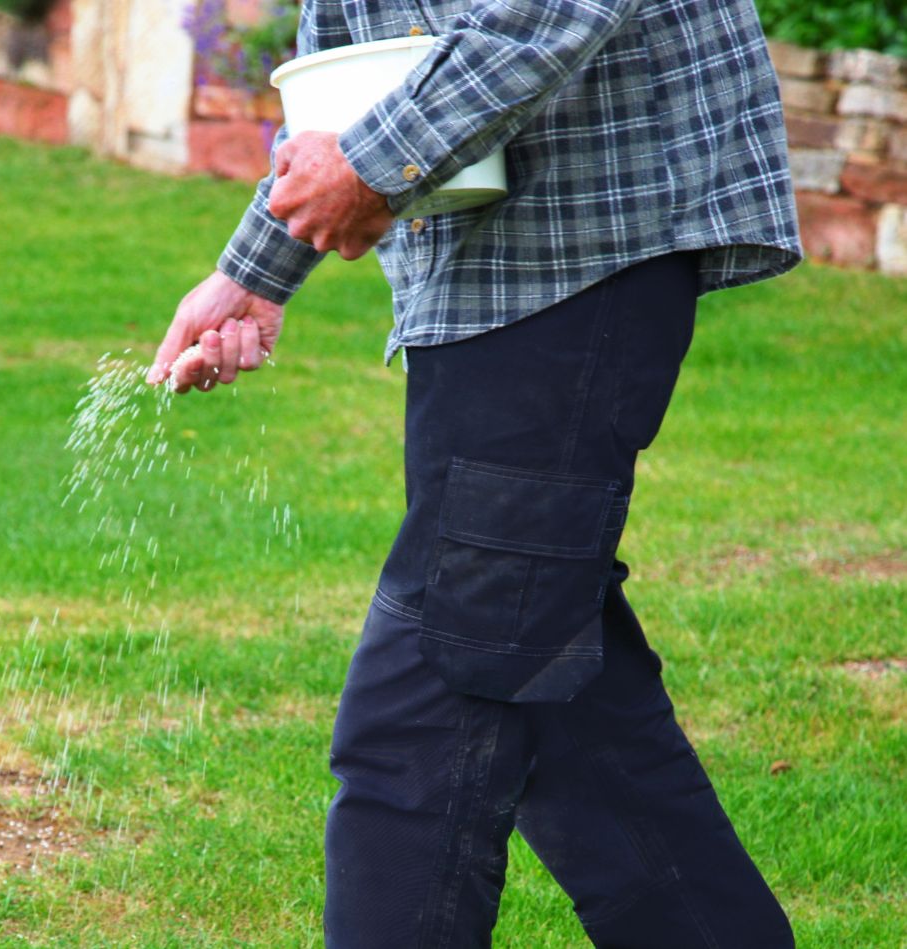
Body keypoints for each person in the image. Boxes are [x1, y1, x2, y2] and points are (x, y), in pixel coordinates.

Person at [147, 0, 802, 945]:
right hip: (475, 275)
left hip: (582, 246)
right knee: (548, 674)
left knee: (425, 706)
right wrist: (258, 268)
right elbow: (349, 54)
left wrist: (372, 167)